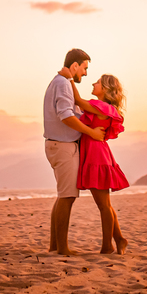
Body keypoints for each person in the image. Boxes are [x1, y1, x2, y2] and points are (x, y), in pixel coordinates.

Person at [43, 48, 105, 256]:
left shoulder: (62, 82)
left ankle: (55, 246)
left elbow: (74, 107)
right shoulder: (62, 84)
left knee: (63, 196)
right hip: (62, 146)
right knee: (67, 197)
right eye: (84, 68)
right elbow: (65, 116)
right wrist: (92, 133)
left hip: (59, 145)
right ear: (75, 65)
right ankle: (62, 249)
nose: (86, 74)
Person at [70, 74, 129, 254]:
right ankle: (119, 240)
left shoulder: (102, 107)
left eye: (97, 83)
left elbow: (78, 100)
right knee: (105, 204)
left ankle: (107, 247)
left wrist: (69, 78)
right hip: (98, 152)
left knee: (103, 205)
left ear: (104, 89)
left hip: (96, 155)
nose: (94, 84)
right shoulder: (105, 108)